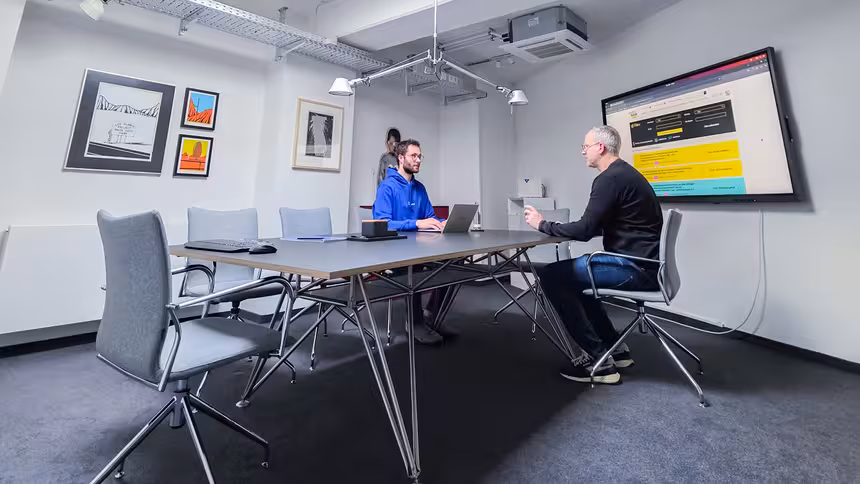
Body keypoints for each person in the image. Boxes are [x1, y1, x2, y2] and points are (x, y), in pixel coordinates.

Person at [523, 125, 663, 384]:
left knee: (552, 275)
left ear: (600, 147)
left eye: (585, 147)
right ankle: (615, 348)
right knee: (576, 280)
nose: (583, 152)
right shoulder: (626, 175)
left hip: (632, 269)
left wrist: (542, 224)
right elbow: (604, 226)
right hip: (644, 266)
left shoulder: (609, 178)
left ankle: (600, 364)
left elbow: (586, 229)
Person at [373, 138, 453, 345]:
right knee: (414, 268)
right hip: (393, 250)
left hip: (419, 247)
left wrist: (443, 223)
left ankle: (432, 316)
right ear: (401, 158)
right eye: (413, 156)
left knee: (452, 263)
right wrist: (416, 223)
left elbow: (430, 217)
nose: (418, 160)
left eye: (420, 156)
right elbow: (382, 223)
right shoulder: (387, 187)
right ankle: (414, 324)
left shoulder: (420, 188)